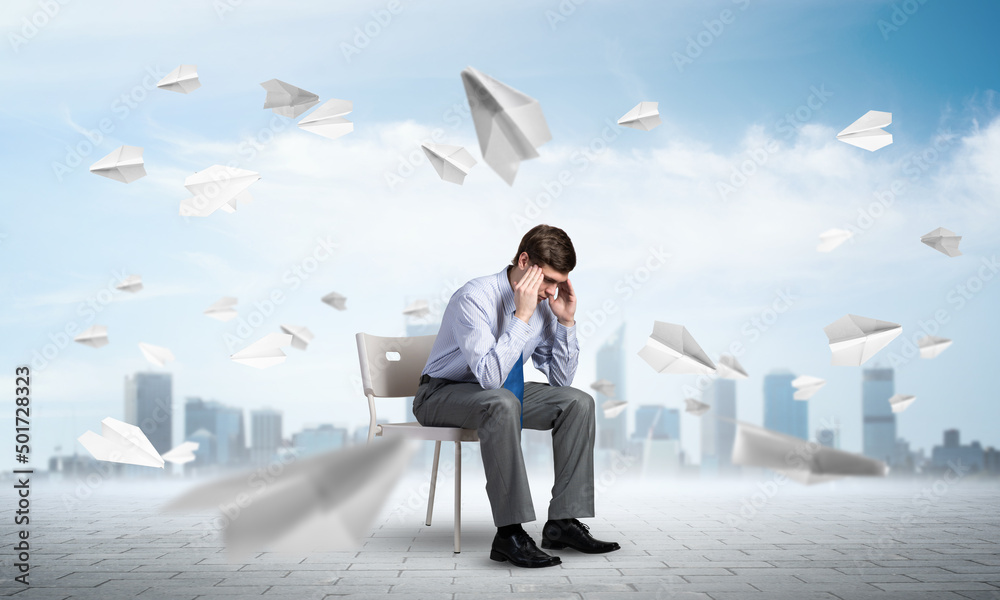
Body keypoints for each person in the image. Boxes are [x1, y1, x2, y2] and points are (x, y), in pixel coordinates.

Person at [413, 224, 620, 568]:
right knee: (502, 403)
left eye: (558, 283)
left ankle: (562, 523)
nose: (551, 292)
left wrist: (566, 323)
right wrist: (521, 316)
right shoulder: (474, 297)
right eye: (547, 281)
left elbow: (560, 380)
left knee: (577, 402)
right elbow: (491, 378)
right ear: (524, 261)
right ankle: (509, 534)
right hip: (440, 394)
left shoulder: (545, 307)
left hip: (497, 396)